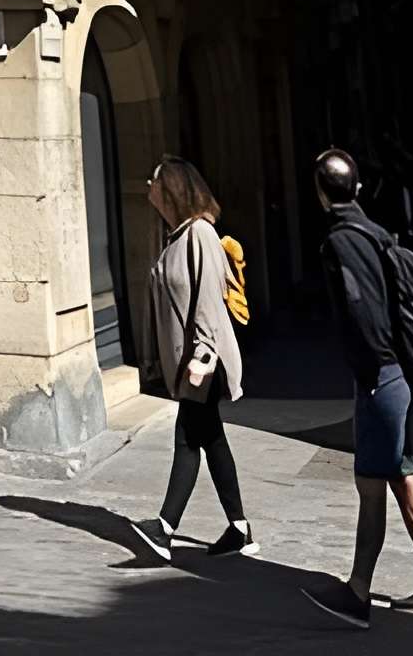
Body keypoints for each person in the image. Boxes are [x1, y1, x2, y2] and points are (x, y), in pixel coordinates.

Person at [302, 147, 413, 628]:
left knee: (372, 485)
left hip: (380, 380)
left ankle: (357, 594)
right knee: (401, 474)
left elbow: (361, 311)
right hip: (397, 378)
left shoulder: (340, 241)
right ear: (357, 188)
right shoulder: (373, 232)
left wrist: (368, 371)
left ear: (319, 191)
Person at [129, 157, 256, 563]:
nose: (147, 184)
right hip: (191, 363)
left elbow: (207, 299)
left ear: (171, 190)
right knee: (211, 439)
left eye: (155, 180)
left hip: (203, 361)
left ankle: (164, 529)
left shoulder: (200, 233)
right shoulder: (177, 236)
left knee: (187, 439)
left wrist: (201, 356)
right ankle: (239, 530)